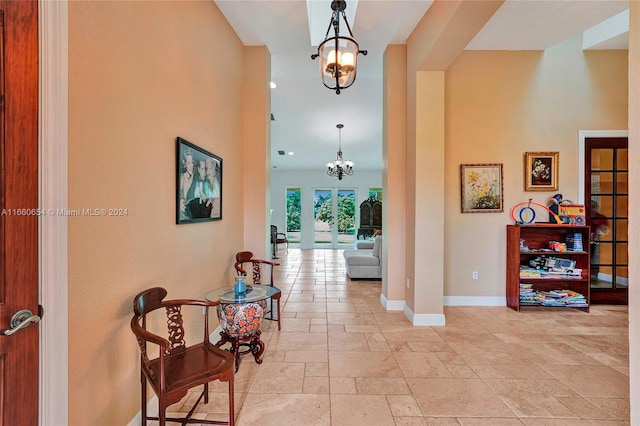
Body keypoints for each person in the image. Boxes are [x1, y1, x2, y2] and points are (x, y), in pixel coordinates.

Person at [179, 149, 195, 220]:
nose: (190, 165)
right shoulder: (182, 177)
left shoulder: (195, 176)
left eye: (191, 162)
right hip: (182, 209)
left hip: (189, 208)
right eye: (188, 163)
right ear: (185, 164)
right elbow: (181, 191)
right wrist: (181, 201)